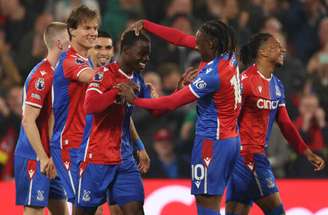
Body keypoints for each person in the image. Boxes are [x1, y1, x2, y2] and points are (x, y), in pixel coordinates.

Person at [118, 20, 241, 215]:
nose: (195, 45)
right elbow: (180, 38)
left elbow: (171, 103)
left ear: (210, 44)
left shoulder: (212, 75)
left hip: (212, 142)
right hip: (230, 138)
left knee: (206, 200)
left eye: (199, 41)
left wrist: (135, 100)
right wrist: (147, 25)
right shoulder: (228, 54)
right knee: (212, 199)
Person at [224, 33, 325, 215]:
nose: (283, 50)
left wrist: (306, 151)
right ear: (263, 51)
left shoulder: (277, 85)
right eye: (277, 46)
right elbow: (226, 117)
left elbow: (285, 123)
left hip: (254, 157)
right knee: (277, 212)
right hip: (247, 158)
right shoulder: (244, 82)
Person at [76, 30, 154, 215]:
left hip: (125, 159)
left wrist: (179, 91)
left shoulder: (137, 79)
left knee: (135, 210)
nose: (146, 58)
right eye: (141, 53)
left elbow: (153, 108)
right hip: (98, 156)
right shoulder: (103, 75)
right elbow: (91, 105)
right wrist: (116, 93)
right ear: (126, 50)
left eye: (148, 54)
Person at [14, 22, 70, 215]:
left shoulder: (59, 75)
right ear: (60, 44)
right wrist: (43, 157)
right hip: (34, 156)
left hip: (52, 158)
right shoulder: (42, 76)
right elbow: (28, 120)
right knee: (34, 211)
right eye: (70, 42)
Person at [50, 5, 99, 207]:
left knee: (90, 205)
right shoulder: (69, 61)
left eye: (95, 28)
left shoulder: (87, 61)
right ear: (72, 30)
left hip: (86, 143)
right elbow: (94, 78)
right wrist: (123, 72)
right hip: (68, 144)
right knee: (82, 203)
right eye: (87, 28)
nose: (93, 33)